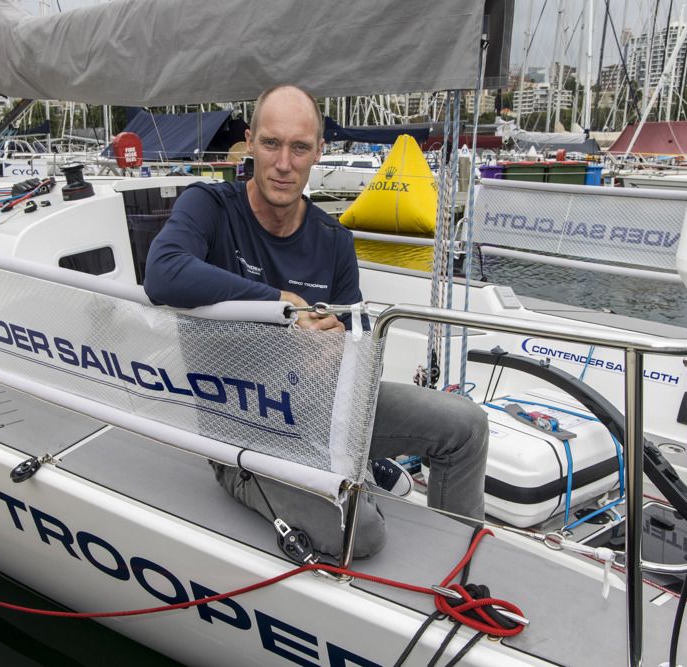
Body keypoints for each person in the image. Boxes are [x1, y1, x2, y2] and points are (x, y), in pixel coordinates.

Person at [144, 85, 487, 558]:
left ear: (318, 152)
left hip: (323, 415)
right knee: (362, 534)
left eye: (300, 147)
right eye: (271, 143)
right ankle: (352, 478)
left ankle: (459, 563)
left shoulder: (334, 241)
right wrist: (280, 304)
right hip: (241, 432)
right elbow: (162, 273)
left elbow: (355, 353)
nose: (284, 163)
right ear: (249, 142)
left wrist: (337, 350)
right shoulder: (210, 206)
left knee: (466, 425)